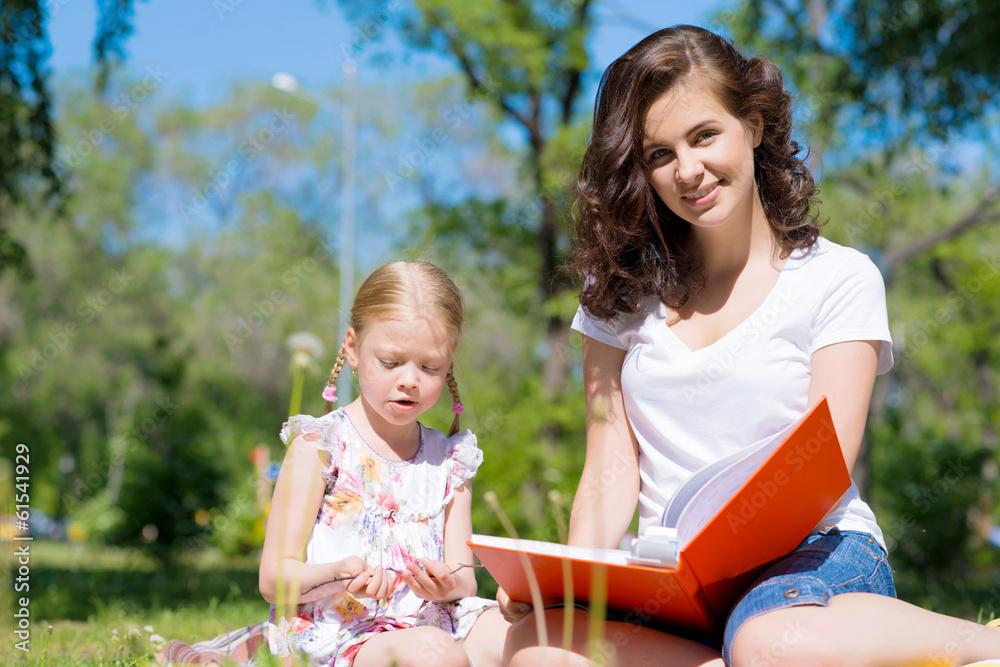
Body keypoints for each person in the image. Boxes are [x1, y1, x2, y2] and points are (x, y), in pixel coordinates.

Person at [499, 24, 1000, 667]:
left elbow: (821, 470)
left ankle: (982, 641)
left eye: (705, 135)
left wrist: (713, 573)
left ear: (755, 126)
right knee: (534, 645)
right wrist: (573, 587)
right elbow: (607, 471)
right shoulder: (617, 296)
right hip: (664, 580)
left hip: (810, 557)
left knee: (768, 641)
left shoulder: (839, 278)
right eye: (659, 154)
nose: (688, 170)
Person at [158, 260, 509, 667]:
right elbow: (274, 580)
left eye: (429, 367)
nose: (410, 380)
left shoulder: (451, 459)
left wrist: (444, 583)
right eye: (391, 362)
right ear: (353, 348)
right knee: (438, 656)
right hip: (346, 631)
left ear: (448, 363)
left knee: (530, 644)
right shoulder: (320, 446)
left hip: (438, 619)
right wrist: (340, 572)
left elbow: (465, 579)